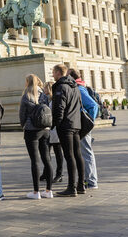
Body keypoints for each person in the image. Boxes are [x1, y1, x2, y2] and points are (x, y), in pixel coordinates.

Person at [51, 64, 85, 197]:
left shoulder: (61, 87)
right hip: (76, 124)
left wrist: (56, 124)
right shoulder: (75, 86)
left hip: (66, 126)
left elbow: (59, 108)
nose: (52, 75)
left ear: (59, 73)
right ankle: (81, 185)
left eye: (53, 72)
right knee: (77, 155)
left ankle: (72, 187)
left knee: (69, 156)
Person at [19, 74, 53, 199]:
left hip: (31, 130)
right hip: (45, 129)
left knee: (35, 161)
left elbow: (22, 115)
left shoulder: (26, 96)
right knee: (47, 159)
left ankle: (36, 192)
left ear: (27, 82)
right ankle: (49, 190)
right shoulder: (43, 95)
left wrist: (24, 126)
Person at [67, 69, 99, 190]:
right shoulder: (78, 87)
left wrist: (90, 122)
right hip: (80, 125)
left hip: (83, 125)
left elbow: (93, 105)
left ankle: (92, 181)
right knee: (83, 152)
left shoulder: (79, 89)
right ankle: (87, 178)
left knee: (86, 152)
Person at [41, 82, 64, 184]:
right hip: (49, 129)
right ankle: (46, 172)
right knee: (46, 152)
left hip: (54, 129)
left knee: (58, 152)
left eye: (45, 88)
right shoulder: (47, 99)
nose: (43, 90)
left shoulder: (53, 100)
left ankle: (59, 174)